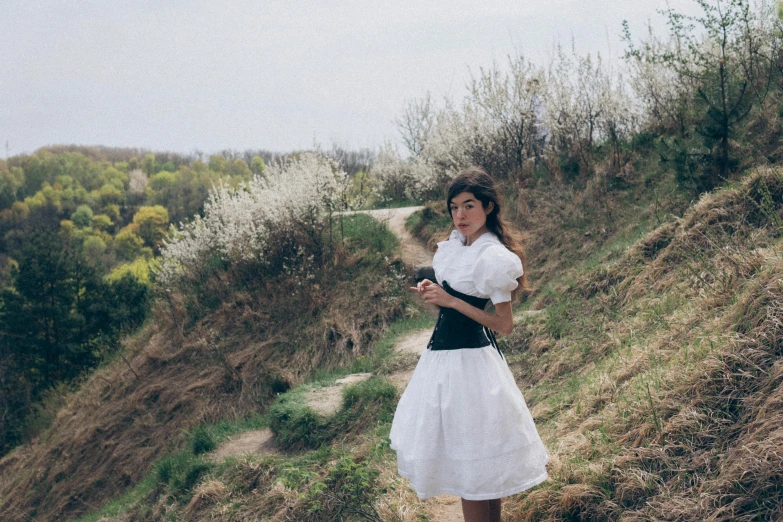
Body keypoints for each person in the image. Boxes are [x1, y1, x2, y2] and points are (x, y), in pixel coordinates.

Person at [389, 166, 549, 522]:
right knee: (475, 474)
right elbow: (454, 295)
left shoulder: (492, 256)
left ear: (488, 207)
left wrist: (452, 302)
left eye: (469, 206)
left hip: (471, 367)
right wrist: (435, 294)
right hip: (443, 362)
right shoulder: (457, 246)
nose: (460, 216)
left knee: (473, 473)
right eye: (454, 207)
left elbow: (504, 325)